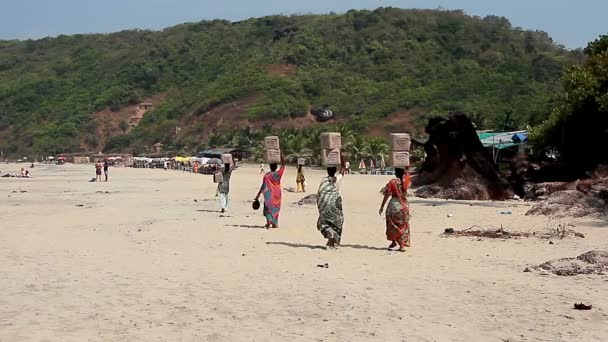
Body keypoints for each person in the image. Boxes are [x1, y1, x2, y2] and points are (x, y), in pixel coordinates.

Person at [316, 156, 346, 249]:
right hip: (334, 204)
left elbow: (320, 193)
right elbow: (343, 169)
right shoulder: (337, 179)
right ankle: (331, 242)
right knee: (337, 222)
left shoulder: (323, 180)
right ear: (335, 171)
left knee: (324, 222)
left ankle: (330, 239)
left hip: (325, 204)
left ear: (327, 171)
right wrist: (340, 155)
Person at [379, 167, 411, 252]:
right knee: (403, 225)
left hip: (394, 205)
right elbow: (405, 192)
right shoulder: (406, 182)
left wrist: (382, 206)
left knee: (392, 224)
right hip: (404, 206)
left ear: (395, 173)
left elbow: (387, 194)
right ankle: (400, 245)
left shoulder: (392, 182)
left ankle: (396, 242)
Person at [254, 154, 285, 229]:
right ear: (276, 167)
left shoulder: (267, 175)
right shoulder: (278, 174)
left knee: (268, 208)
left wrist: (257, 196)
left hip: (269, 193)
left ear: (270, 167)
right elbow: (283, 165)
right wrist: (281, 156)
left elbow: (263, 186)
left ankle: (269, 219)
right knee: (276, 208)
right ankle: (274, 223)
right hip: (277, 193)